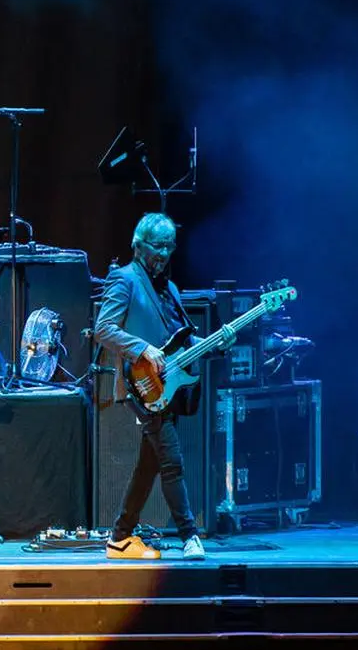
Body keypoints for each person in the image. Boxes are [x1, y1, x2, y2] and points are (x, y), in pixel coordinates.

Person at [95, 213, 233, 560]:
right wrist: (142, 348)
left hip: (168, 386)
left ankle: (120, 537)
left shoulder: (169, 288)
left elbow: (180, 342)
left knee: (150, 465)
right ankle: (190, 536)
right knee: (171, 461)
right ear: (137, 245)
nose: (164, 254)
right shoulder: (123, 280)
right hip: (140, 386)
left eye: (170, 247)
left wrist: (217, 341)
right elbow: (103, 328)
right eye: (158, 246)